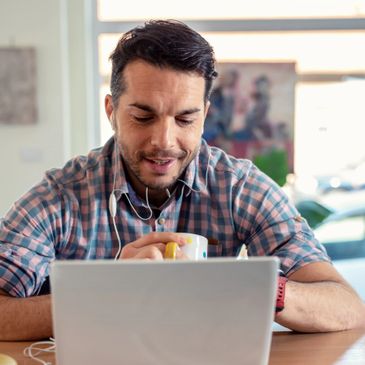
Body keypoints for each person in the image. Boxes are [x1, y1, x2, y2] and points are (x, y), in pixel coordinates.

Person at [0, 20, 364, 341]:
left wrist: (255, 285)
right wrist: (106, 292)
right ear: (111, 111)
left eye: (185, 119)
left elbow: (346, 307)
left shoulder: (240, 188)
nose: (165, 141)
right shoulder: (61, 196)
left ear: (204, 115)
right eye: (143, 117)